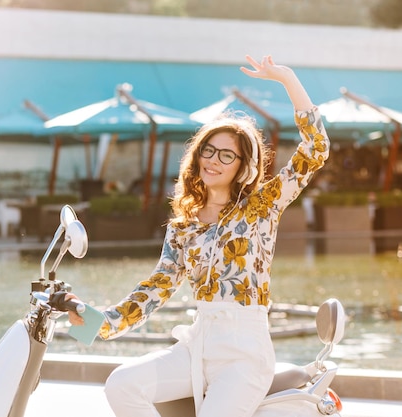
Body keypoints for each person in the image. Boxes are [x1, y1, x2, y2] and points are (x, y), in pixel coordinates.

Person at [67, 55, 330, 417]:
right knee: (121, 384)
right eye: (209, 150)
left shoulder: (261, 208)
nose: (214, 160)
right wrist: (96, 325)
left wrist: (288, 80)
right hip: (197, 345)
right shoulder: (183, 225)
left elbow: (315, 151)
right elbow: (156, 288)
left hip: (245, 355)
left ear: (242, 167)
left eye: (227, 155)